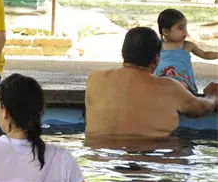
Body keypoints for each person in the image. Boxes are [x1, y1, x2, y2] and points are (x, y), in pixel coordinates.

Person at [86, 26, 218, 137]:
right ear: (156, 59)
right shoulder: (169, 87)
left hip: (101, 158)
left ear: (123, 53)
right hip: (151, 157)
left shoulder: (95, 79)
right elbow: (200, 108)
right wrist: (213, 95)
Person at [154, 8, 218, 93]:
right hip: (163, 84)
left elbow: (205, 54)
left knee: (180, 86)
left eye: (185, 27)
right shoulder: (157, 47)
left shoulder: (187, 46)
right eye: (181, 28)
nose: (185, 31)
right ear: (165, 31)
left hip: (184, 86)